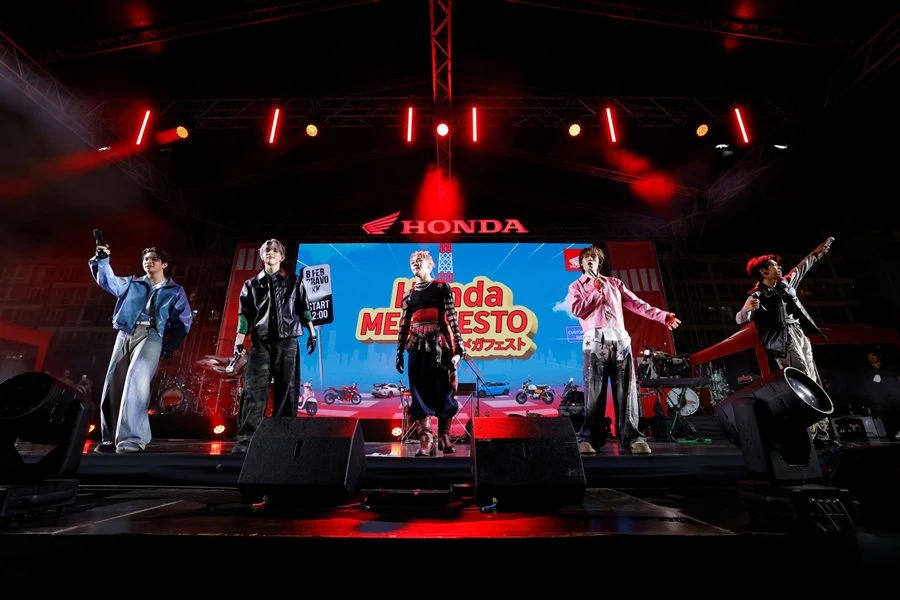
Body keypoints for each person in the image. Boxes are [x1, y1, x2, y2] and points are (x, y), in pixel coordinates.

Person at [567, 245, 681, 455]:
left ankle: (633, 438)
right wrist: (596, 292)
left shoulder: (615, 283)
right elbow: (578, 310)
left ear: (599, 262)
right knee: (594, 394)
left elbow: (637, 304)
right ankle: (590, 438)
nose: (590, 260)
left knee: (626, 393)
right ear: (581, 263)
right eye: (586, 258)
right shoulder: (577, 286)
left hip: (620, 341)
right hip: (595, 343)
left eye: (594, 257)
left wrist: (663, 316)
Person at [90, 244, 192, 453]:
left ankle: (132, 438)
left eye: (154, 259)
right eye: (146, 258)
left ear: (164, 264)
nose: (149, 262)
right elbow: (108, 281)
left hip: (152, 335)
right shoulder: (131, 284)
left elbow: (183, 321)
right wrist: (102, 260)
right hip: (125, 333)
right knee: (114, 382)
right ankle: (110, 438)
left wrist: (171, 345)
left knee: (136, 379)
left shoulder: (175, 291)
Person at [737, 237, 835, 444]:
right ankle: (809, 435)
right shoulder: (757, 295)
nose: (780, 268)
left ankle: (823, 434)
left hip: (799, 334)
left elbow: (802, 267)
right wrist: (746, 310)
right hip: (783, 340)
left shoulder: (786, 284)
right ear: (764, 272)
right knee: (802, 382)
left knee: (813, 379)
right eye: (775, 266)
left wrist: (817, 253)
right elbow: (740, 318)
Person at [231, 239, 317, 454]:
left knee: (287, 389)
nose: (270, 253)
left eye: (275, 251)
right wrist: (239, 341)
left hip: (288, 340)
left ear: (282, 256)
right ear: (262, 256)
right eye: (267, 250)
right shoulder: (251, 285)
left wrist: (312, 333)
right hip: (261, 341)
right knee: (254, 389)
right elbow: (244, 315)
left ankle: (284, 438)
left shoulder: (294, 282)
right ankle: (246, 439)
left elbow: (304, 309)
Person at [395, 250, 466, 456]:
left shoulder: (442, 288)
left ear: (430, 265)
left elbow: (452, 318)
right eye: (412, 261)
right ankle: (426, 439)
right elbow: (404, 324)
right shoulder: (408, 295)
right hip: (416, 348)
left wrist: (459, 346)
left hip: (440, 348)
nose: (415, 263)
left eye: (419, 260)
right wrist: (399, 352)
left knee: (444, 390)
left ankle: (444, 436)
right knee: (418, 392)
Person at [859, 348, 900, 440]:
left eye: (872, 356)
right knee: (886, 416)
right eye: (869, 356)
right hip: (880, 397)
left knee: (896, 411)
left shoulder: (888, 367)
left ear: (877, 356)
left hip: (893, 395)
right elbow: (866, 385)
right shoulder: (867, 370)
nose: (871, 358)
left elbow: (896, 378)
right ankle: (891, 434)